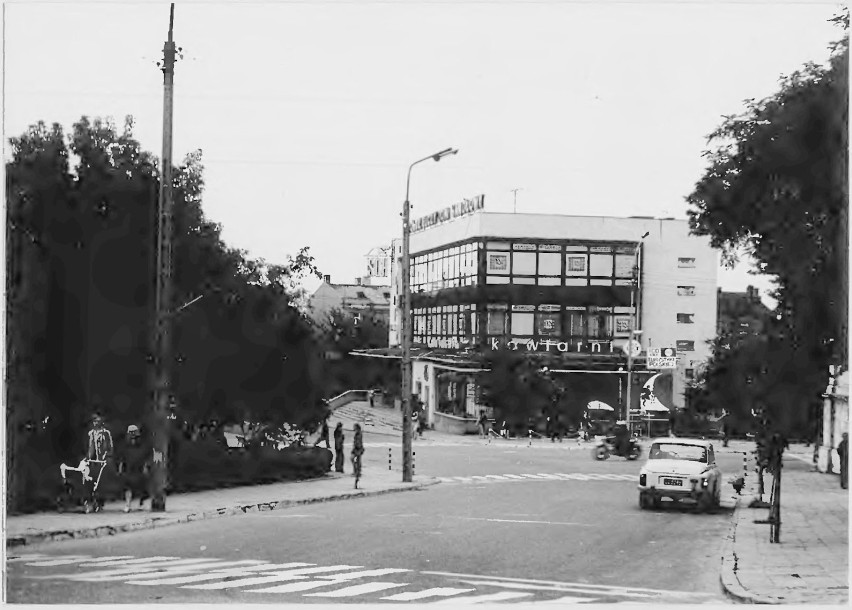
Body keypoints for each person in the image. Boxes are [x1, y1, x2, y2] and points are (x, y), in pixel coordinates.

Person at [85, 414, 114, 513]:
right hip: (94, 461)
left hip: (103, 460)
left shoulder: (106, 433)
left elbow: (109, 446)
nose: (96, 423)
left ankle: (100, 502)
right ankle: (92, 501)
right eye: (94, 421)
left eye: (98, 421)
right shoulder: (92, 433)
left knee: (101, 483)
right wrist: (88, 458)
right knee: (92, 481)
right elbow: (91, 447)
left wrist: (107, 456)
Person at [117, 424, 150, 512]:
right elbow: (122, 457)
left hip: (139, 467)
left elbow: (145, 456)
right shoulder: (125, 445)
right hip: (129, 467)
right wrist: (120, 467)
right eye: (131, 432)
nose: (132, 434)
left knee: (141, 487)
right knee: (128, 487)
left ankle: (141, 503)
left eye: (134, 432)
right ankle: (128, 504)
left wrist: (145, 466)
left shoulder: (141, 445)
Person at [351, 423, 364, 489]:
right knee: (356, 460)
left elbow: (358, 443)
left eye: (354, 427)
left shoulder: (358, 434)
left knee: (355, 460)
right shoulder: (358, 433)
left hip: (357, 450)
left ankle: (357, 472)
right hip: (357, 449)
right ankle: (357, 472)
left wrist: (355, 449)